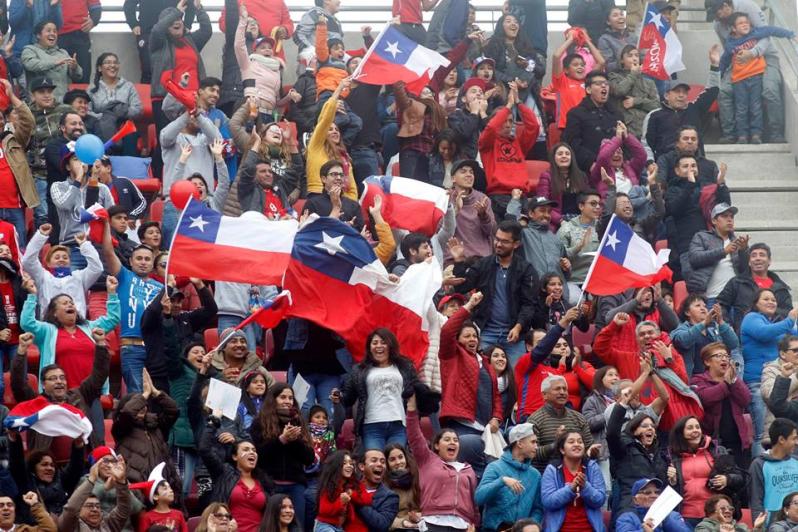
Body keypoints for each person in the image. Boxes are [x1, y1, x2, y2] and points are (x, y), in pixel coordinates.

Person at [450, 221, 539, 363]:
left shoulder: (526, 269)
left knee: (515, 379)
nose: (498, 244)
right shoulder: (484, 264)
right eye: (497, 239)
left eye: (504, 241)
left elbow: (529, 304)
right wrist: (459, 260)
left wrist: (518, 326)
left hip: (514, 334)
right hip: (486, 333)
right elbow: (461, 287)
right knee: (485, 377)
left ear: (516, 244)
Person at [20, 273, 118, 399]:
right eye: (65, 303)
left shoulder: (89, 327)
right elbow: (26, 322)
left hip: (92, 393)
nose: (70, 305)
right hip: (61, 395)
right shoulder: (47, 331)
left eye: (72, 303)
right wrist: (32, 295)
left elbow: (113, 318)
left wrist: (112, 292)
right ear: (54, 312)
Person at [435, 291, 503, 472]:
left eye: (475, 336)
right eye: (467, 336)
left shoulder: (486, 362)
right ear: (457, 340)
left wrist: (496, 418)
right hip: (462, 425)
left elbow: (495, 395)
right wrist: (469, 306)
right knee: (468, 471)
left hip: (487, 428)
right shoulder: (451, 355)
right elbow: (448, 330)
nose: (472, 339)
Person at [102, 219, 163, 393]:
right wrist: (106, 225)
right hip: (131, 347)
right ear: (131, 261)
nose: (143, 262)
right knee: (137, 396)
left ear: (152, 264)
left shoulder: (162, 288)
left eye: (147, 259)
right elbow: (107, 252)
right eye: (139, 259)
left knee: (157, 396)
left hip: (155, 349)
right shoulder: (124, 277)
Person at [406, 394, 480, 531]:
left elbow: (473, 502)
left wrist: (474, 523)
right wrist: (411, 409)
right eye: (447, 439)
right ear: (436, 446)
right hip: (434, 523)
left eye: (455, 440)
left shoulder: (468, 469)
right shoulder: (428, 460)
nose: (452, 442)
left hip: (462, 525)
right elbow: (414, 435)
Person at [718, 13, 795, 144]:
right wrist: (719, 74)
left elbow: (772, 30)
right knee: (741, 108)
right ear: (733, 28)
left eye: (747, 22)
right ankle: (742, 135)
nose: (745, 24)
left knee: (756, 107)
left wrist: (790, 34)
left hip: (756, 76)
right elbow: (724, 61)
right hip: (738, 80)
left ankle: (756, 134)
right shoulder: (730, 44)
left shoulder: (755, 33)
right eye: (741, 23)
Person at [340, 328, 419, 451]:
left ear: (390, 345)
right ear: (369, 347)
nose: (379, 346)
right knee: (376, 463)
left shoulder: (405, 366)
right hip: (371, 425)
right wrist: (338, 396)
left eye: (383, 342)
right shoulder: (359, 370)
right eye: (375, 343)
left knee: (396, 465)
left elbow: (417, 389)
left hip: (399, 424)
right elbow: (348, 398)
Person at [741, 289, 798, 455]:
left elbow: (792, 336)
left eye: (773, 299)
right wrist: (790, 319)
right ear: (755, 303)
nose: (771, 302)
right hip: (758, 381)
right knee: (761, 435)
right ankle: (759, 470)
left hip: (780, 379)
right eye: (766, 299)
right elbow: (763, 333)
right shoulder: (751, 318)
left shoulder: (775, 325)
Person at [250, 383, 315, 528]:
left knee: (296, 527)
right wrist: (281, 440)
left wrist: (294, 440)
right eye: (283, 397)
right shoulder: (260, 423)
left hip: (296, 486)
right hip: (270, 485)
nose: (288, 401)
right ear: (273, 399)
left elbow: (309, 458)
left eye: (291, 398)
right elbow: (258, 455)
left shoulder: (299, 422)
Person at [666, 415, 746, 528]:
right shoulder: (671, 456)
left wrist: (727, 480)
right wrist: (673, 481)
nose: (695, 430)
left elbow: (739, 478)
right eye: (690, 428)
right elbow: (665, 492)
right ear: (681, 433)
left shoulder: (717, 450)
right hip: (686, 516)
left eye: (697, 427)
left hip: (715, 515)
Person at [643, 46, 721, 160]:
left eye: (684, 92)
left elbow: (713, 90)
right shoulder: (654, 115)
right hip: (666, 167)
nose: (681, 95)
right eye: (677, 91)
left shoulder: (694, 108)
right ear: (666, 95)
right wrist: (650, 163)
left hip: (695, 165)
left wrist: (715, 65)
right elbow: (646, 144)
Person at [479, 81, 540, 220]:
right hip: (499, 197)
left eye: (510, 121)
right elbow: (490, 128)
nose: (507, 124)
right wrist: (508, 106)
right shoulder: (487, 144)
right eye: (503, 120)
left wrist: (518, 102)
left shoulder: (518, 143)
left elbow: (534, 126)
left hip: (521, 196)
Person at [149, 0, 212, 135]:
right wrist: (177, 11)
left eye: (179, 19)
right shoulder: (158, 43)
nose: (177, 21)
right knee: (168, 144)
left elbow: (207, 30)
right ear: (165, 25)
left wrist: (199, 9)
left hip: (193, 100)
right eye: (172, 20)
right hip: (166, 100)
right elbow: (157, 29)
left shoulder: (191, 40)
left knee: (194, 142)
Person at [665, 154, 731, 282]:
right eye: (686, 166)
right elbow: (674, 209)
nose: (691, 169)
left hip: (712, 242)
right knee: (697, 285)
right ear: (677, 171)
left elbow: (724, 207)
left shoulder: (707, 188)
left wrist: (721, 184)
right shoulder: (673, 189)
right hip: (687, 246)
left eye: (693, 166)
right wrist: (690, 185)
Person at [198, 422, 272, 532]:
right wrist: (213, 422)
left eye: (254, 450)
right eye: (246, 450)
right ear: (234, 456)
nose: (251, 452)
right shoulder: (224, 473)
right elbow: (205, 449)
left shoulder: (263, 482)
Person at [111, 369, 179, 484]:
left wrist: (156, 393)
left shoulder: (155, 424)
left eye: (144, 405)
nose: (143, 407)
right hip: (136, 484)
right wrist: (145, 394)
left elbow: (173, 411)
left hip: (161, 484)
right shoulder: (121, 427)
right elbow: (128, 412)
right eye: (139, 405)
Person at [690, 343, 752, 465]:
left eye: (726, 356)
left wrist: (734, 381)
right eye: (719, 356)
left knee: (742, 478)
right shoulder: (698, 380)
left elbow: (746, 399)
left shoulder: (734, 380)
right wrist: (726, 384)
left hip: (738, 441)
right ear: (707, 362)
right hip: (713, 442)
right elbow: (706, 398)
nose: (724, 359)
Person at [475, 423, 543, 532]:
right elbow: (479, 498)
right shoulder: (494, 467)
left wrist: (529, 528)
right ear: (519, 443)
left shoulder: (535, 475)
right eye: (533, 442)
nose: (536, 447)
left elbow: (538, 509)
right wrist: (501, 481)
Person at [606, 402, 668, 514]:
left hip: (656, 511)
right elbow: (611, 434)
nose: (650, 428)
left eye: (652, 426)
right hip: (631, 508)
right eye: (644, 426)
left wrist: (672, 479)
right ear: (633, 430)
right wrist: (621, 406)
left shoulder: (660, 454)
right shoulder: (625, 447)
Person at [718, 242, 793, 334]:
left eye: (762, 255)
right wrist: (729, 326)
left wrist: (767, 309)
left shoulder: (780, 287)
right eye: (753, 255)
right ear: (749, 262)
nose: (758, 258)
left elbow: (788, 312)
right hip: (744, 336)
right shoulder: (737, 282)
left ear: (769, 261)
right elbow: (720, 304)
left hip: (776, 337)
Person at [540, 430, 606, 532]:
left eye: (580, 442)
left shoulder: (592, 467)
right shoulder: (552, 469)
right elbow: (548, 501)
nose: (576, 444)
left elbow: (600, 500)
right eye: (571, 442)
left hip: (589, 529)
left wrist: (585, 487)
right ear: (562, 450)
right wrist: (571, 488)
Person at [50, 145, 115, 247]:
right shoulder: (58, 186)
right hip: (71, 245)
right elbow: (65, 205)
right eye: (76, 159)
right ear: (68, 166)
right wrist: (78, 178)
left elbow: (112, 217)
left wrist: (94, 177)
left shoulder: (102, 188)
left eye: (84, 159)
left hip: (97, 245)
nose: (81, 163)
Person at [529, 375, 594, 472]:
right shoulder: (535, 420)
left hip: (577, 475)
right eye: (557, 389)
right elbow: (531, 454)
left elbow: (589, 446)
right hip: (545, 476)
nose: (562, 392)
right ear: (544, 395)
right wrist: (555, 444)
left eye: (565, 389)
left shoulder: (578, 418)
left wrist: (592, 451)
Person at [0, 80, 37, 249]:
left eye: (0, 118)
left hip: (14, 207)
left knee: (19, 250)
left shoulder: (14, 140)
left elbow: (28, 121)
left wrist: (11, 96)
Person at [687, 203, 749, 298]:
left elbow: (744, 272)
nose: (729, 220)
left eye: (731, 217)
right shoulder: (702, 236)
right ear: (714, 220)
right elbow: (695, 259)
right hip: (710, 297)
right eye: (724, 216)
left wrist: (743, 251)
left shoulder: (736, 241)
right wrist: (723, 251)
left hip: (734, 299)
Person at [506, 195, 572, 284]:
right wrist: (515, 200)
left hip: (555, 294)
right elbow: (510, 221)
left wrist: (566, 268)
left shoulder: (556, 239)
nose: (546, 215)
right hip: (531, 292)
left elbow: (566, 277)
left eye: (549, 212)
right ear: (531, 214)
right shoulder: (523, 234)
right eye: (542, 211)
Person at [562, 71, 619, 173]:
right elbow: (573, 144)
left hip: (616, 166)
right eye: (598, 84)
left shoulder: (616, 113)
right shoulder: (576, 114)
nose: (604, 86)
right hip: (589, 169)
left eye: (606, 84)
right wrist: (591, 163)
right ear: (588, 89)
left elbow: (625, 141)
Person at [550, 32, 606, 132]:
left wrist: (587, 41)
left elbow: (601, 62)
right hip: (566, 126)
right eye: (575, 65)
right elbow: (556, 56)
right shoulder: (561, 82)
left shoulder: (588, 81)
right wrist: (570, 39)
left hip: (587, 126)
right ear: (566, 70)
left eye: (582, 65)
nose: (580, 67)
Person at [670, 296, 740, 376]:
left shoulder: (713, 330)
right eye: (698, 305)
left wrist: (721, 321)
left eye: (704, 306)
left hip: (715, 378)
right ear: (687, 312)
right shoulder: (681, 329)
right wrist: (704, 323)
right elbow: (683, 341)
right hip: (694, 381)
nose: (703, 308)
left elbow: (733, 343)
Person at [57, 457, 132, 532]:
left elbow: (124, 508)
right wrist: (91, 479)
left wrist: (121, 482)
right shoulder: (70, 526)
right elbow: (71, 509)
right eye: (90, 506)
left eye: (98, 506)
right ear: (79, 511)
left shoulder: (108, 525)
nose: (95, 509)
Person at [749, 418, 798, 523]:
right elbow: (756, 500)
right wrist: (759, 527)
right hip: (772, 524)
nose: (796, 442)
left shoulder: (796, 461)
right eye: (794, 438)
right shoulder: (759, 464)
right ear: (781, 440)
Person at [21, 21, 83, 102]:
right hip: (39, 104)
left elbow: (78, 77)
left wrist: (75, 68)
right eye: (48, 30)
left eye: (55, 31)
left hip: (63, 102)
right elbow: (30, 65)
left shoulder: (63, 53)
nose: (52, 33)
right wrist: (54, 63)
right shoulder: (29, 50)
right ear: (38, 35)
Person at [556, 190, 601, 303]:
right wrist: (579, 246)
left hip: (596, 280)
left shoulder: (603, 228)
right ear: (581, 206)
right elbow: (558, 257)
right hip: (572, 280)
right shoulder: (566, 228)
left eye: (599, 204)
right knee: (574, 301)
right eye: (593, 203)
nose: (597, 207)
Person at [534, 143, 589, 229]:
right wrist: (561, 221)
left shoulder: (581, 176)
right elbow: (542, 203)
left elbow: (587, 200)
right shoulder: (546, 176)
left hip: (579, 219)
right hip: (557, 220)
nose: (564, 156)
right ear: (554, 158)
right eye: (560, 154)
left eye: (567, 154)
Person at [448, 159, 495, 260]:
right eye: (463, 171)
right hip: (454, 259)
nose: (469, 175)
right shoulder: (446, 198)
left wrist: (483, 215)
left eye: (471, 172)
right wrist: (455, 210)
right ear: (453, 179)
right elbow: (440, 231)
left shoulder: (483, 199)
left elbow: (490, 232)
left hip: (482, 260)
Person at [590, 123, 647, 199]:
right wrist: (618, 139)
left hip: (633, 206)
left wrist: (627, 137)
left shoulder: (630, 168)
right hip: (611, 207)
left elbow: (642, 155)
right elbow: (603, 157)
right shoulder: (600, 170)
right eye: (613, 153)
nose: (617, 155)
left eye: (619, 152)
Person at [304, 160, 365, 231]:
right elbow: (307, 233)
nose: (339, 178)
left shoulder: (353, 205)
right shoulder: (312, 204)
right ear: (324, 179)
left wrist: (349, 228)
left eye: (341, 175)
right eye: (334, 174)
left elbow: (361, 233)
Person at [761, 335, 798, 447]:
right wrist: (794, 376)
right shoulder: (770, 369)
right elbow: (770, 396)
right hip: (778, 433)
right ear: (782, 354)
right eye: (796, 350)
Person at [615, 478, 691, 532]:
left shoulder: (673, 515)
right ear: (635, 500)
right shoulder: (627, 518)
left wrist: (666, 520)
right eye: (647, 492)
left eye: (657, 492)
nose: (654, 495)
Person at [355, 449, 400, 532]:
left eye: (383, 462)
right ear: (362, 466)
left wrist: (357, 501)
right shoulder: (350, 487)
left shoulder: (390, 497)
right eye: (374, 460)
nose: (379, 464)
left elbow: (382, 524)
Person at [383, 444, 421, 531]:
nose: (398, 462)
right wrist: (403, 523)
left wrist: (421, 516)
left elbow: (432, 507)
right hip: (399, 528)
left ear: (406, 458)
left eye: (400, 457)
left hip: (422, 524)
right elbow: (383, 518)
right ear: (387, 463)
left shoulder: (418, 477)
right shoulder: (384, 485)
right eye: (392, 459)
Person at [598, 8, 636, 73]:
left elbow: (641, 57)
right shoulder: (604, 39)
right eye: (615, 15)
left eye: (621, 14)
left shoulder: (633, 37)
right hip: (618, 77)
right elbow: (608, 66)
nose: (620, 17)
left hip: (638, 73)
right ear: (608, 22)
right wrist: (624, 61)